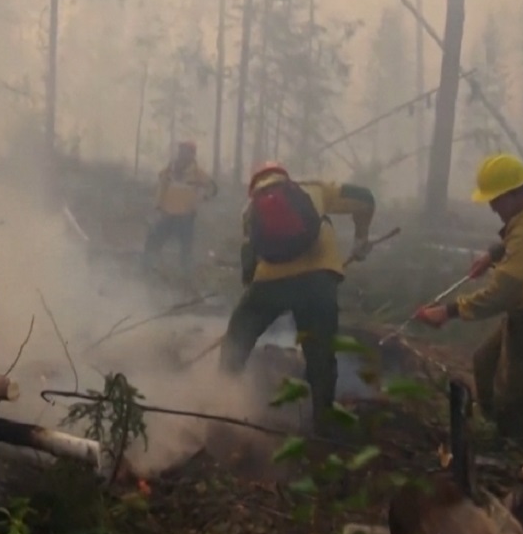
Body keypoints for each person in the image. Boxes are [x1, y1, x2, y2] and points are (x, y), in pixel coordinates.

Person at [414, 153, 523, 442]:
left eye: (496, 200)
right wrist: (494, 254)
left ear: (515, 195)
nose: (492, 207)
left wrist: (448, 311)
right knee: (484, 363)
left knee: (518, 397)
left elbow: (503, 293)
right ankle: (496, 429)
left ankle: (520, 452)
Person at [220, 161, 375, 435]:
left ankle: (219, 405)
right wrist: (361, 238)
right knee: (321, 353)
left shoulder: (249, 210)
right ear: (284, 177)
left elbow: (249, 262)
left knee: (237, 338)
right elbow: (365, 198)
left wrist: (253, 297)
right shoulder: (314, 189)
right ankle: (323, 425)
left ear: (254, 186)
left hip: (270, 282)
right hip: (318, 279)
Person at [142, 141, 218, 276]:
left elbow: (213, 188)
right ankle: (147, 270)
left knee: (186, 249)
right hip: (167, 214)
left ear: (192, 154)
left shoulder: (197, 173)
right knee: (153, 241)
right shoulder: (170, 169)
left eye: (186, 151)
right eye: (181, 150)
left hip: (186, 216)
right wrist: (157, 206)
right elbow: (162, 186)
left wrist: (203, 198)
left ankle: (186, 277)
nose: (182, 153)